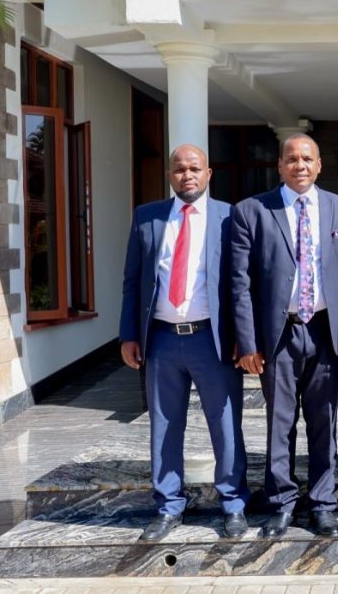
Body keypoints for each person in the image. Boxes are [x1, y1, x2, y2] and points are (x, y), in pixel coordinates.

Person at [119, 144, 249, 541]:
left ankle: (233, 503)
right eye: (179, 169)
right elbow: (131, 281)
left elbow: (243, 285)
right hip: (160, 339)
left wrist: (244, 341)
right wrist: (128, 334)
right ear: (170, 175)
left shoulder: (230, 217)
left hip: (213, 340)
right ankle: (168, 505)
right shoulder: (148, 217)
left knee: (225, 424)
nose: (187, 175)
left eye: (195, 168)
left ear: (209, 174)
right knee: (164, 424)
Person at [230, 133, 338, 538]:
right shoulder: (252, 211)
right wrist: (247, 343)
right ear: (280, 166)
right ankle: (281, 502)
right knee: (279, 422)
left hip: (324, 331)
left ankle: (322, 504)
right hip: (277, 333)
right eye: (292, 159)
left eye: (307, 159)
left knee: (324, 421)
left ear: (319, 165)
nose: (300, 166)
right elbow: (240, 283)